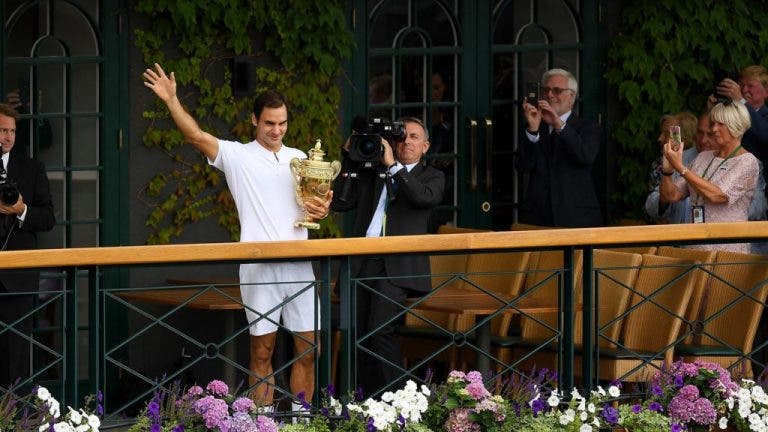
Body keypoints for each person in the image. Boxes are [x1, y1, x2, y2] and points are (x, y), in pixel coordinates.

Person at [142, 64, 330, 410]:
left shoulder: (300, 158)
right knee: (262, 352)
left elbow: (313, 205)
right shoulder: (238, 155)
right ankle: (264, 422)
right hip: (259, 268)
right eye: (270, 123)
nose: (277, 130)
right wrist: (171, 100)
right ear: (255, 121)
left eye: (282, 123)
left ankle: (305, 422)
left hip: (300, 266)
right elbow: (196, 137)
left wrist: (320, 209)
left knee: (309, 350)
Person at [330, 117, 444, 395]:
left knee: (378, 331)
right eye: (403, 136)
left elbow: (422, 198)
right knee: (355, 333)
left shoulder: (433, 176)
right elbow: (339, 202)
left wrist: (394, 166)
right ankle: (358, 401)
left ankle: (405, 398)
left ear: (425, 146)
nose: (407, 141)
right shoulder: (373, 172)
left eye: (414, 137)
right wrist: (349, 158)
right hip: (361, 260)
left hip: (398, 266)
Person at [0, 103, 56, 387]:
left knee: (16, 354)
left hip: (18, 279)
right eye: (2, 130)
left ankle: (11, 421)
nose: (7, 137)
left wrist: (21, 210)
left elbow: (48, 217)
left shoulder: (32, 168)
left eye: (11, 131)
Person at [660, 101, 759, 253]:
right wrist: (667, 171)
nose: (714, 129)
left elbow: (718, 195)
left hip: (729, 250)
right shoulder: (703, 157)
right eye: (713, 123)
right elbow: (670, 196)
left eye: (721, 124)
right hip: (697, 247)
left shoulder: (747, 161)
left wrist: (680, 167)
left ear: (736, 126)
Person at [517, 68, 602, 227]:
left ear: (572, 97)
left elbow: (585, 156)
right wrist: (533, 130)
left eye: (556, 90)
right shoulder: (534, 126)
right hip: (538, 218)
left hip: (575, 218)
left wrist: (558, 124)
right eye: (546, 90)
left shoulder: (588, 127)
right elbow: (522, 166)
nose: (550, 95)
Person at [644, 111, 704, 224]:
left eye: (667, 134)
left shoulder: (717, 159)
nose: (660, 139)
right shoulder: (665, 162)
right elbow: (652, 206)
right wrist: (663, 201)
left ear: (684, 137)